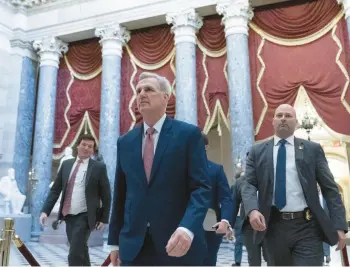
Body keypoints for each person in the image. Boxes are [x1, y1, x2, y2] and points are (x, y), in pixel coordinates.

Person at [108, 72, 211, 266]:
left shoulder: (188, 135)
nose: (141, 94)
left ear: (166, 97)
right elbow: (121, 195)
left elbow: (201, 189)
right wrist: (114, 242)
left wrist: (187, 228)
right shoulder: (125, 142)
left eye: (148, 89)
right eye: (138, 91)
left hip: (178, 244)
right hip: (134, 247)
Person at [241, 104, 347, 266]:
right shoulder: (257, 151)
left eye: (288, 116)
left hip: (307, 226)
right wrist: (252, 210)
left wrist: (339, 225)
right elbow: (248, 183)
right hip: (273, 227)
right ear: (273, 121)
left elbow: (330, 189)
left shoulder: (312, 150)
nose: (283, 118)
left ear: (296, 122)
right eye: (279, 115)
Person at [40, 134, 111, 266]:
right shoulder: (66, 164)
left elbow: (106, 195)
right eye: (84, 144)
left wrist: (103, 218)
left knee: (74, 253)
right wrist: (45, 211)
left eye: (90, 146)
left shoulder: (98, 167)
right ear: (77, 145)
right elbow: (55, 190)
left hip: (86, 215)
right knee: (80, 249)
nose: (86, 148)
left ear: (93, 150)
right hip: (68, 215)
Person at [201, 133, 233, 266]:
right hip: (182, 224)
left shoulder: (216, 170)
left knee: (208, 261)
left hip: (210, 225)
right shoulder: (179, 169)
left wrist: (225, 221)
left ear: (206, 147)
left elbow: (226, 198)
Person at [318, 184, 331, 263]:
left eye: (318, 186)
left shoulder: (325, 197)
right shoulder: (312, 197)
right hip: (316, 222)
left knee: (326, 238)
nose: (317, 187)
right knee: (318, 239)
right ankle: (321, 256)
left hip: (326, 221)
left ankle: (327, 255)